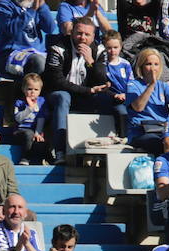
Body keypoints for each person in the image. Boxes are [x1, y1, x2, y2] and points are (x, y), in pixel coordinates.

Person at [44, 17, 110, 163]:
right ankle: (59, 151)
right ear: (72, 32)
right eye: (79, 33)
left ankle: (103, 150)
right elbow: (56, 82)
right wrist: (87, 91)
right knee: (63, 97)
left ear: (94, 36)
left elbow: (102, 79)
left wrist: (91, 62)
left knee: (107, 99)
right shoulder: (58, 48)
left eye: (87, 35)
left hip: (85, 95)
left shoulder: (99, 50)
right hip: (58, 94)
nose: (83, 38)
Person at [126, 47, 169, 156]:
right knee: (160, 144)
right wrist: (151, 85)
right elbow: (138, 107)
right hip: (141, 131)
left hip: (162, 129)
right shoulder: (133, 85)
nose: (153, 68)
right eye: (148, 64)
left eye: (156, 64)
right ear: (141, 66)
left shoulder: (163, 86)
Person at [0, 0, 55, 77]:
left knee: (57, 63)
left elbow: (50, 29)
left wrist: (42, 7)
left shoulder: (35, 4)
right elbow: (12, 31)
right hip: (11, 53)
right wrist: (31, 11)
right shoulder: (5, 5)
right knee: (39, 61)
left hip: (37, 51)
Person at [13, 73, 48, 165]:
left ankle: (43, 159)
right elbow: (18, 119)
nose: (33, 92)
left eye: (36, 89)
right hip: (20, 131)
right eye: (29, 89)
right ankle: (25, 157)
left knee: (40, 139)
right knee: (29, 134)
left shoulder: (42, 102)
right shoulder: (19, 102)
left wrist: (38, 132)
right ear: (23, 89)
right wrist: (29, 109)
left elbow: (41, 118)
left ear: (40, 91)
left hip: (35, 130)